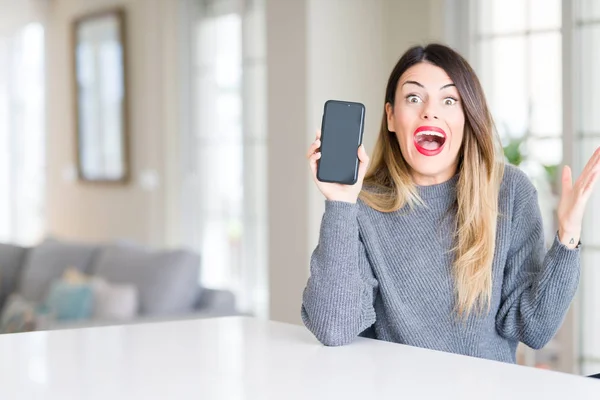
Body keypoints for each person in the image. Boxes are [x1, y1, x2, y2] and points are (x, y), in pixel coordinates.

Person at [302, 43, 600, 364]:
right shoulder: (362, 206)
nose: (429, 111)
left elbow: (533, 328)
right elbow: (333, 327)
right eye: (413, 98)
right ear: (391, 117)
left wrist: (568, 237)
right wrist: (340, 204)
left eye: (449, 100)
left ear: (467, 116)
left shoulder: (510, 191)